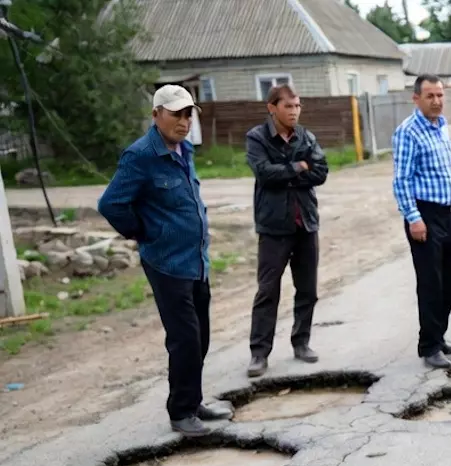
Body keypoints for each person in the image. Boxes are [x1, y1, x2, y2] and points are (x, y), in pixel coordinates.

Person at [98, 85, 232, 437]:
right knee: (184, 337)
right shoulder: (140, 156)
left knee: (200, 335)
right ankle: (181, 411)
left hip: (195, 260)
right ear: (156, 114)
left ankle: (194, 400)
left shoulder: (184, 150)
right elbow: (111, 204)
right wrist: (145, 232)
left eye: (188, 114)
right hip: (166, 262)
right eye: (176, 114)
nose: (184, 121)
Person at [245, 84, 329, 378]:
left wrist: (290, 172)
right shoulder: (256, 137)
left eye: (297, 106)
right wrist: (298, 167)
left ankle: (301, 342)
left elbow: (321, 172)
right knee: (268, 290)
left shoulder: (306, 136)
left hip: (305, 222)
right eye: (288, 107)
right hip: (273, 227)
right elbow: (265, 174)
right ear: (272, 108)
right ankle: (259, 353)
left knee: (307, 288)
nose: (294, 112)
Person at [393, 74, 451, 370]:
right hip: (424, 215)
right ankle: (429, 347)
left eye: (440, 95)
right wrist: (414, 218)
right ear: (416, 99)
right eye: (430, 96)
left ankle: (440, 335)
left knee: (448, 280)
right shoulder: (408, 132)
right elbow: (402, 180)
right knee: (431, 282)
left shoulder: (442, 126)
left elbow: (448, 170)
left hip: (446, 212)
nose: (437, 101)